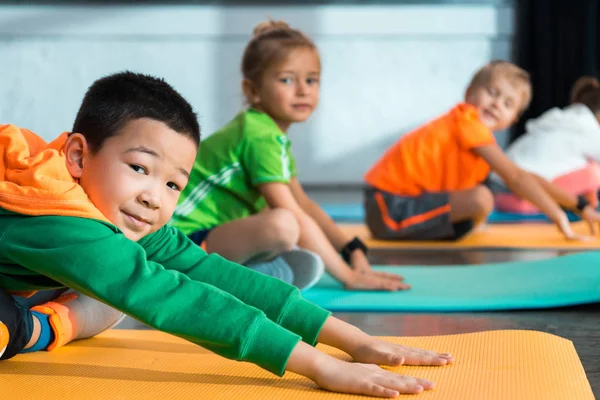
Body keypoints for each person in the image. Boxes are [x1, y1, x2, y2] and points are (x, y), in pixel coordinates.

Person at [0, 71, 452, 397]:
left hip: (41, 277)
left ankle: (60, 312)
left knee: (123, 282)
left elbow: (210, 273)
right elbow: (178, 299)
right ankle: (44, 327)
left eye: (173, 183)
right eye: (139, 168)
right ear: (78, 157)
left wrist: (352, 339)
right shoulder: (61, 218)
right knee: (126, 288)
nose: (154, 197)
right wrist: (319, 366)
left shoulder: (116, 209)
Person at [171, 20, 407, 292]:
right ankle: (220, 275)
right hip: (182, 243)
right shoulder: (259, 135)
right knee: (283, 225)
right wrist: (348, 277)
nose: (303, 89)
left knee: (289, 222)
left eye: (311, 79)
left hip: (209, 237)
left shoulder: (270, 135)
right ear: (253, 91)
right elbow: (292, 212)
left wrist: (350, 248)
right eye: (286, 79)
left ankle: (247, 273)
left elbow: (304, 203)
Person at [363, 61, 600, 241]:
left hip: (392, 204)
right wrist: (557, 216)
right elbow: (516, 178)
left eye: (507, 104)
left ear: (512, 119)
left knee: (482, 195)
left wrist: (580, 206)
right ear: (469, 93)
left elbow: (525, 176)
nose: (497, 104)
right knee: (481, 198)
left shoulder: (480, 141)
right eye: (492, 93)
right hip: (387, 207)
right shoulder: (467, 122)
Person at [494, 76, 600, 213]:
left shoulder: (559, 121)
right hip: (519, 196)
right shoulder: (590, 130)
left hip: (496, 186)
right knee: (594, 172)